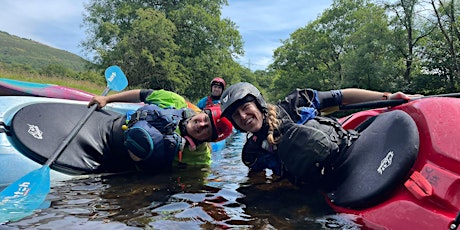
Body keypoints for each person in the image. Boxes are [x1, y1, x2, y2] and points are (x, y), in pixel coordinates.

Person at [219, 82, 421, 188]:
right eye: (236, 116)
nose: (243, 117)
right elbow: (259, 182)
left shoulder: (295, 103)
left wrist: (387, 97)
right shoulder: (252, 154)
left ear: (259, 104)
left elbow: (341, 96)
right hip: (321, 184)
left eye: (246, 108)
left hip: (349, 152)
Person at [88, 88, 233, 171]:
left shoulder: (200, 158)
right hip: (110, 132)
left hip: (123, 163)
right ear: (201, 112)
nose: (201, 125)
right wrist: (107, 99)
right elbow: (142, 94)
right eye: (205, 119)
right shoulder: (175, 101)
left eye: (207, 130)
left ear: (207, 140)